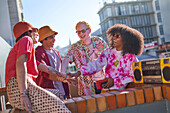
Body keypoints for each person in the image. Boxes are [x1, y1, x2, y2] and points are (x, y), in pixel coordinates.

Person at [5, 21, 71, 113]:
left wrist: (65, 77)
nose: (37, 34)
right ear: (28, 32)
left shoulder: (26, 51)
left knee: (57, 94)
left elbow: (47, 68)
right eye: (35, 31)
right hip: (19, 88)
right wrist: (23, 94)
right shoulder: (26, 39)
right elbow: (20, 63)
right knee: (61, 110)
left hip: (19, 90)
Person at [68, 24, 144, 92]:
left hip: (121, 93)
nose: (114, 38)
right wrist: (79, 72)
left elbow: (134, 76)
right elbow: (96, 64)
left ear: (125, 39)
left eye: (117, 36)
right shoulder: (108, 52)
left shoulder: (131, 57)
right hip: (106, 91)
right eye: (113, 35)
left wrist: (114, 81)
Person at [62, 21, 108, 96]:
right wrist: (63, 73)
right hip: (86, 87)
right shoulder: (75, 47)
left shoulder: (99, 41)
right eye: (78, 32)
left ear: (89, 30)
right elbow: (66, 58)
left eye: (83, 31)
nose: (81, 34)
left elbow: (110, 56)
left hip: (103, 82)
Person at [35, 25, 69, 99]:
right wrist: (65, 78)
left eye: (54, 37)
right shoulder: (39, 52)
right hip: (49, 94)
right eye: (51, 37)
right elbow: (44, 73)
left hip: (62, 92)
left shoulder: (56, 52)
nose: (54, 40)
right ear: (43, 39)